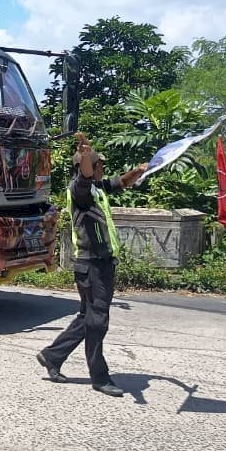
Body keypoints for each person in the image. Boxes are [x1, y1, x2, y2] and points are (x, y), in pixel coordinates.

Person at [37, 132, 147, 397]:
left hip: (102, 264)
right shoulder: (81, 191)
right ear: (88, 167)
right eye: (100, 164)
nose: (104, 168)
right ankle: (100, 377)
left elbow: (121, 181)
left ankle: (52, 355)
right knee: (98, 322)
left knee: (88, 317)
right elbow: (84, 178)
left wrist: (140, 170)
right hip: (91, 265)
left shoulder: (99, 188)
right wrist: (86, 155)